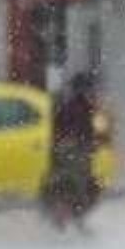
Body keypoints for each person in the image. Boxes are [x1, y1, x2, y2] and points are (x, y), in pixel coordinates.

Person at [44, 72, 99, 231]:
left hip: (69, 149)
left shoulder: (70, 104)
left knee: (70, 184)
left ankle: (65, 219)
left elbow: (58, 127)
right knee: (77, 184)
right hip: (75, 150)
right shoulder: (79, 106)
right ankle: (72, 219)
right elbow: (83, 130)